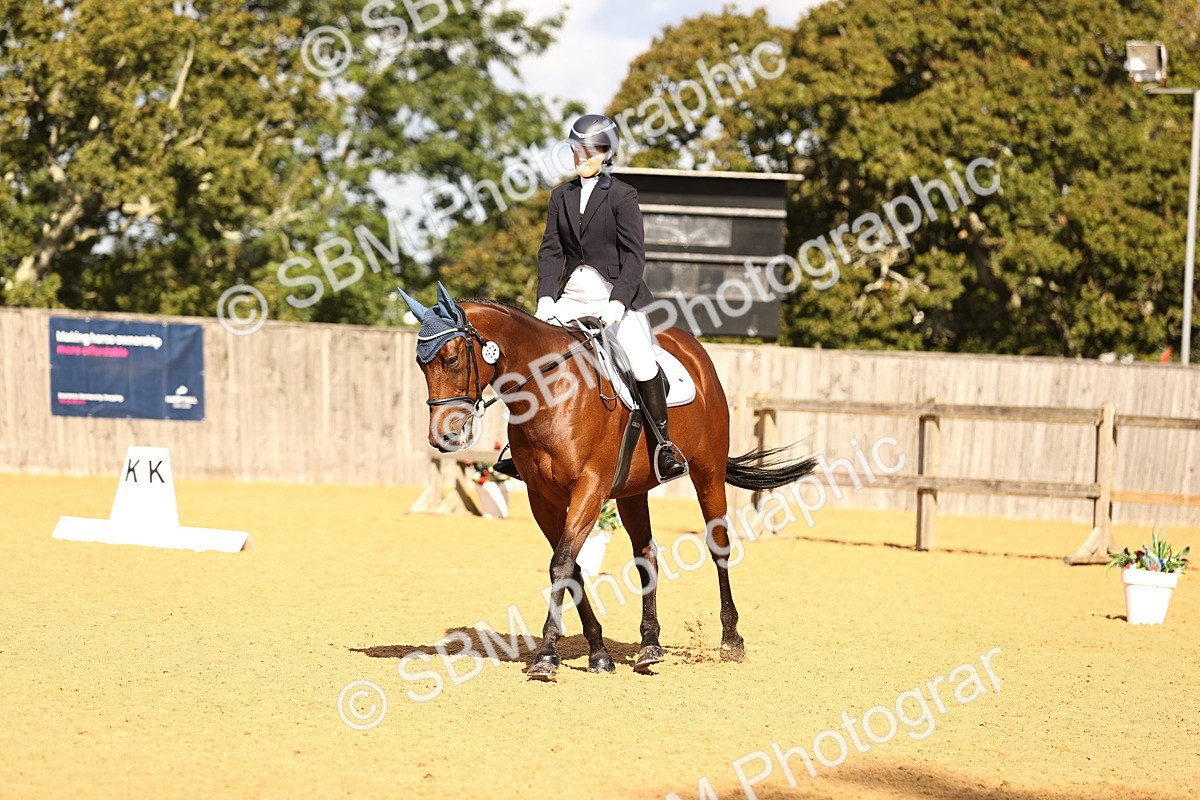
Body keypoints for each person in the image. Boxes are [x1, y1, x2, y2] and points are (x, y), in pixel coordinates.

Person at [492, 113, 687, 483]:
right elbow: (551, 251)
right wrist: (545, 298)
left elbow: (634, 256)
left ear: (607, 152)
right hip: (571, 295)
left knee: (642, 363)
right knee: (530, 359)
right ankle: (517, 449)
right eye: (577, 150)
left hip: (615, 296)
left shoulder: (623, 195)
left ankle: (663, 447)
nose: (583, 157)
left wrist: (618, 302)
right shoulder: (560, 196)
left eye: (592, 151)